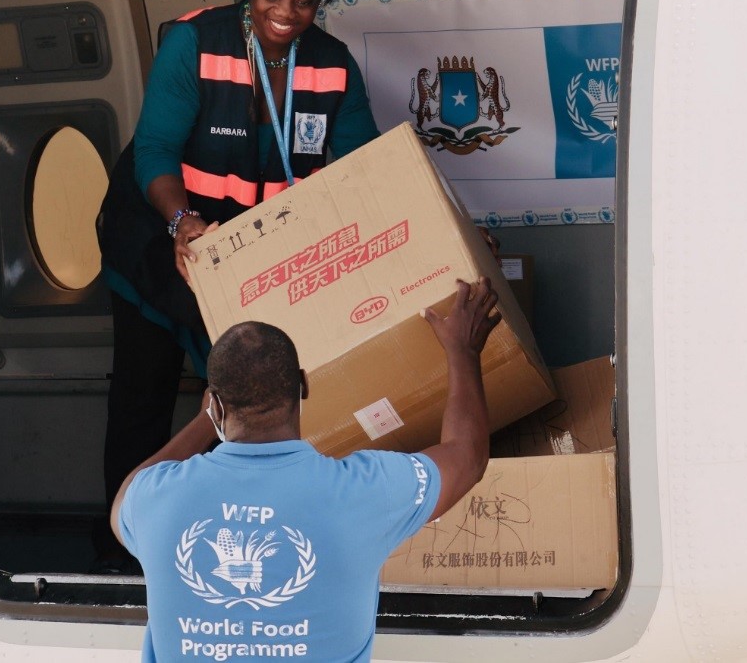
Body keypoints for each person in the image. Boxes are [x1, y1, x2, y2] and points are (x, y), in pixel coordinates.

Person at [92, 0, 379, 570]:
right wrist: (180, 223)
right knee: (145, 390)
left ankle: (212, 555)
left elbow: (362, 174)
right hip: (160, 240)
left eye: (305, 0)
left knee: (243, 404)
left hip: (249, 257)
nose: (286, 12)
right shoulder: (195, 42)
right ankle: (118, 556)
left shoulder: (333, 69)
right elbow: (157, 148)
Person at [112, 277, 500, 662]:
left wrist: (204, 422)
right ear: (302, 386)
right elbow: (467, 457)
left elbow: (124, 501)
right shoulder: (364, 490)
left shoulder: (154, 498)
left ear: (215, 404)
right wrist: (462, 351)